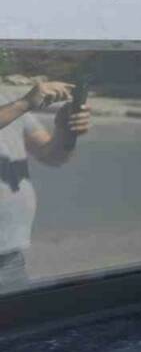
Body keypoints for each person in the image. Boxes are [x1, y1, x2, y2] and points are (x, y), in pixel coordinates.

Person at [0, 79, 92, 288]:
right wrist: (24, 104)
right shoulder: (17, 104)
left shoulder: (4, 97)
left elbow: (52, 155)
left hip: (10, 257)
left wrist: (66, 130)